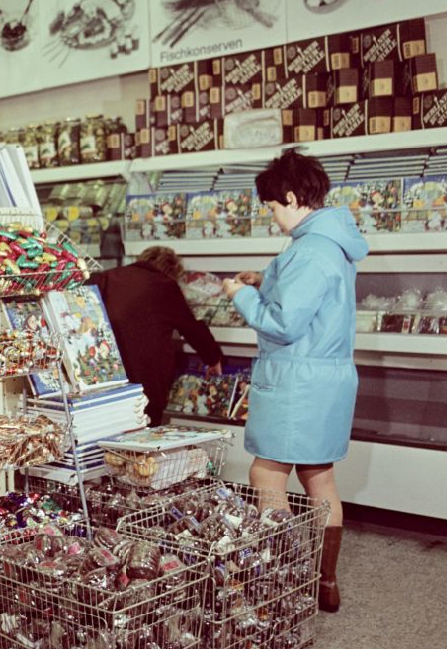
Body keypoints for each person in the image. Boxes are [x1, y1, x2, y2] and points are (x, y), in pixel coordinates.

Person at [221, 149, 368, 613]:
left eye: (271, 207)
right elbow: (313, 298)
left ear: (289, 195)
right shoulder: (334, 243)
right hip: (328, 378)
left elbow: (284, 325)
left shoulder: (308, 250)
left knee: (266, 472)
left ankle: (283, 580)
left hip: (297, 380)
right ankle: (325, 584)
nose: (272, 217)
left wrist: (241, 295)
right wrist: (264, 279)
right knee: (320, 477)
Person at [88, 246, 223, 426]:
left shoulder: (107, 276)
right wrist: (213, 358)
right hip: (146, 379)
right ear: (172, 270)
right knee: (145, 434)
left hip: (105, 371)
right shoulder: (166, 286)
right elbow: (192, 328)